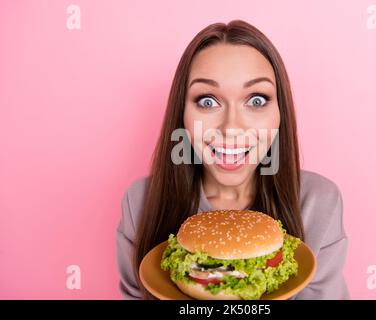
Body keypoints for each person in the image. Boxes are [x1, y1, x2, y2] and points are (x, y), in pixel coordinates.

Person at [116, 20, 350, 300]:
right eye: (207, 101)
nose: (231, 128)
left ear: (280, 113)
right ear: (182, 114)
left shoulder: (318, 203)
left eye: (256, 100)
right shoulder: (141, 202)